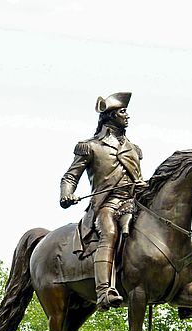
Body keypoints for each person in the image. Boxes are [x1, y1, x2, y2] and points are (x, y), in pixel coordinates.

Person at [60, 92, 146, 310]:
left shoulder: (133, 149)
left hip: (133, 203)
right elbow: (70, 176)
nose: (127, 116)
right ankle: (104, 291)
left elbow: (138, 178)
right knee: (108, 233)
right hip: (106, 205)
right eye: (123, 112)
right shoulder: (91, 146)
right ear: (110, 116)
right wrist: (66, 193)